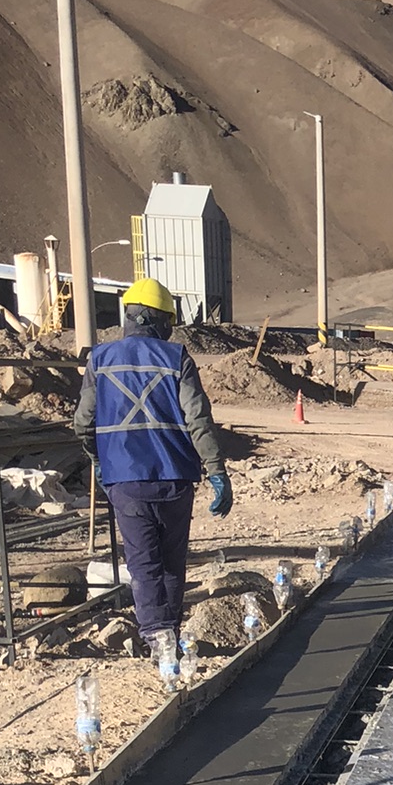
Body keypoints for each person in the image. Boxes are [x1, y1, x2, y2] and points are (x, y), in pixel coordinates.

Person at [74, 277, 231, 682]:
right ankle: (170, 635)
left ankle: (156, 641)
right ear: (159, 319)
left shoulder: (99, 360)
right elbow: (198, 420)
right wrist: (216, 471)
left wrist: (98, 460)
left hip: (125, 480)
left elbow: (83, 423)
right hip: (175, 477)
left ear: (129, 316)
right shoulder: (176, 358)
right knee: (172, 562)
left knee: (143, 563)